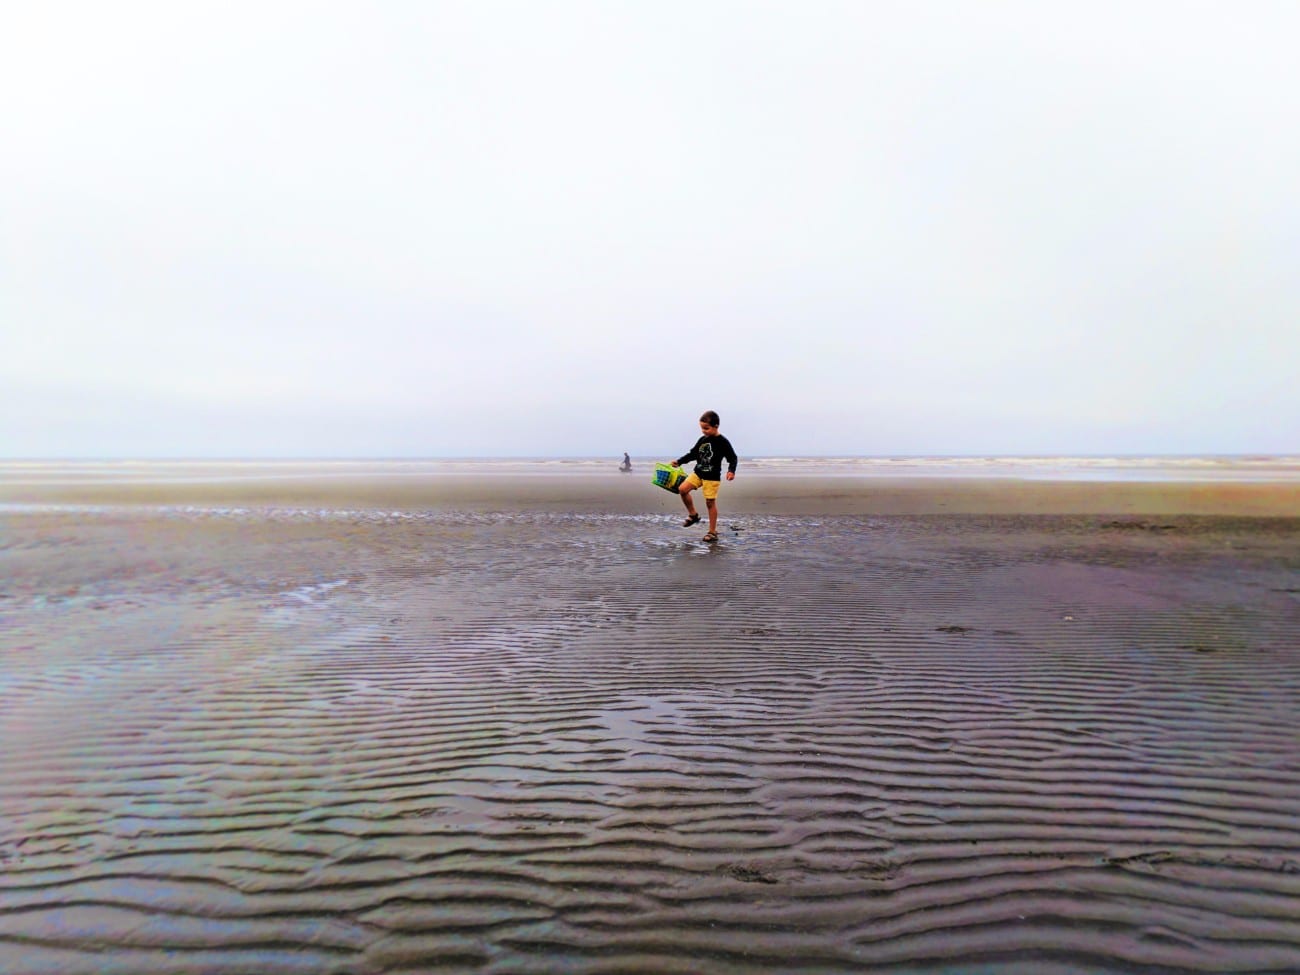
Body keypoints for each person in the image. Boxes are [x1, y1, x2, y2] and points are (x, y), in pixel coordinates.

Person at [667, 410, 738, 542]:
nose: (703, 431)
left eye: (706, 428)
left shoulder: (722, 442)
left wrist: (731, 471)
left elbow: (733, 458)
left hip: (712, 477)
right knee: (682, 489)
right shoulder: (703, 440)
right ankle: (693, 515)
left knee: (710, 503)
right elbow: (693, 454)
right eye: (702, 428)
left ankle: (712, 532)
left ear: (716, 426)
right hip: (698, 473)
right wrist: (679, 461)